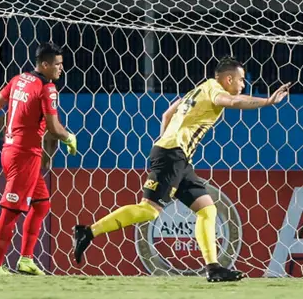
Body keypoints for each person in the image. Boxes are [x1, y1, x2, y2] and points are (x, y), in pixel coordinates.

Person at [74, 57, 290, 282]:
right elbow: (232, 102)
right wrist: (268, 101)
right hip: (172, 155)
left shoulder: (198, 89)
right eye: (241, 80)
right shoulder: (214, 91)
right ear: (228, 79)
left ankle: (213, 268)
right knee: (149, 211)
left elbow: (166, 114)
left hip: (176, 157)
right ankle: (88, 232)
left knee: (207, 210)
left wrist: (165, 142)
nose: (243, 85)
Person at [0, 42, 77, 275]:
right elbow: (53, 127)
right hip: (25, 155)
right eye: (57, 65)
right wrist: (69, 137)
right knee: (11, 210)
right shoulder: (47, 88)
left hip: (10, 150)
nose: (61, 69)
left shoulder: (19, 79)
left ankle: (25, 260)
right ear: (45, 65)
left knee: (41, 204)